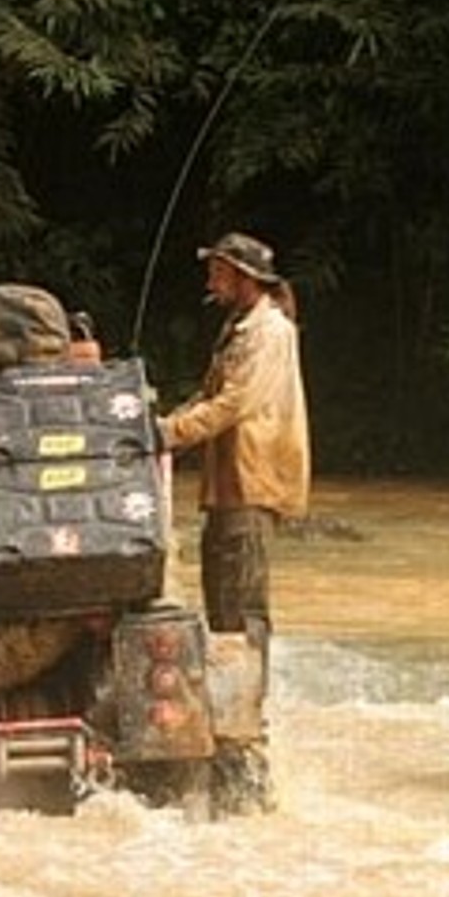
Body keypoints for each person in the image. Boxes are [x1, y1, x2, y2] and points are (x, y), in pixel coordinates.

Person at [156, 231, 311, 634]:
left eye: (218, 274)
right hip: (230, 484)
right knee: (222, 605)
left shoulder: (269, 332)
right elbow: (210, 394)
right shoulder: (239, 327)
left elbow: (234, 402)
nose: (210, 284)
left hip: (251, 481)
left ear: (245, 277)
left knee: (242, 609)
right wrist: (165, 424)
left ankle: (249, 693)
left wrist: (169, 434)